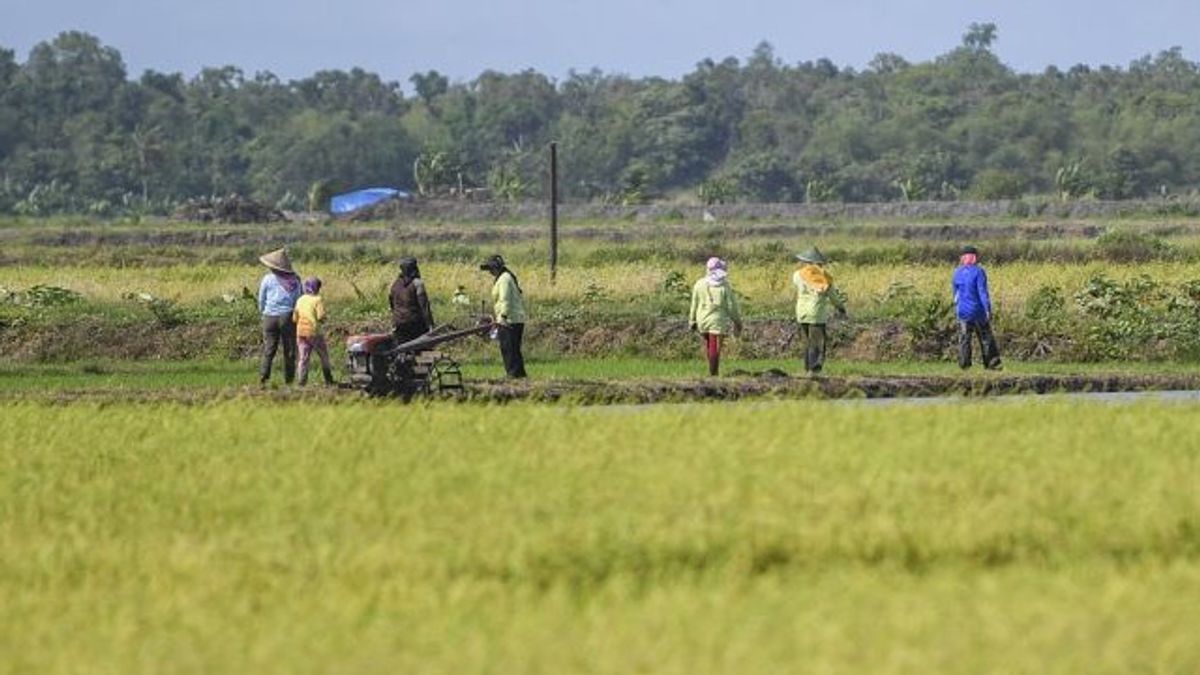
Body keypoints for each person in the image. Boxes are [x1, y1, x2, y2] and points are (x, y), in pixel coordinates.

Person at [792, 247, 847, 375]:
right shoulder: (825, 279)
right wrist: (841, 308)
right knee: (817, 343)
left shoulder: (797, 275)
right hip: (816, 314)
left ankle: (807, 370)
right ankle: (815, 371)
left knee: (807, 343)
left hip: (801, 313)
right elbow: (834, 297)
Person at [688, 257, 743, 376]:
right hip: (717, 321)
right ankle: (714, 374)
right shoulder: (724, 286)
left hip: (701, 319)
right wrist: (737, 322)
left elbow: (694, 304)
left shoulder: (699, 284)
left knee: (709, 345)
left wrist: (692, 321)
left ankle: (712, 371)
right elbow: (731, 306)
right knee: (715, 347)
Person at [953, 245, 1002, 370]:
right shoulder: (979, 271)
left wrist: (957, 309)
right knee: (985, 337)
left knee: (964, 338)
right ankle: (991, 363)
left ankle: (964, 365)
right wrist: (987, 309)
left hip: (962, 311)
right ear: (974, 257)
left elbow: (955, 294)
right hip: (977, 310)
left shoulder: (957, 272)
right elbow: (982, 292)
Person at [257, 247, 302, 385]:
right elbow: (299, 299)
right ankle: (289, 380)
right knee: (289, 350)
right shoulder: (295, 280)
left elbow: (261, 299)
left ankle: (264, 377)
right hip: (287, 316)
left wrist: (263, 312)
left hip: (269, 317)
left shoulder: (267, 279)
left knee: (269, 349)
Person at [480, 254, 527, 378]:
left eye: (491, 268)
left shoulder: (504, 279)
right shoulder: (503, 277)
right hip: (513, 318)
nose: (489, 271)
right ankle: (519, 374)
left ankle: (513, 374)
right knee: (513, 349)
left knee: (509, 348)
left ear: (496, 267)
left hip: (510, 319)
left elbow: (505, 299)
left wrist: (503, 317)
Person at [293, 277, 335, 386]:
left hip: (300, 332)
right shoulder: (318, 300)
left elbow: (294, 318)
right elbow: (321, 316)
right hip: (313, 332)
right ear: (317, 288)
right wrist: (325, 319)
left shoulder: (300, 299)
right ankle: (328, 379)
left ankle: (301, 382)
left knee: (303, 358)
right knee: (324, 355)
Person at [389, 257, 434, 343]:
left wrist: (395, 318)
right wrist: (430, 325)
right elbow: (424, 307)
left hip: (398, 323)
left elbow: (391, 304)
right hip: (414, 323)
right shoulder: (417, 283)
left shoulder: (394, 284)